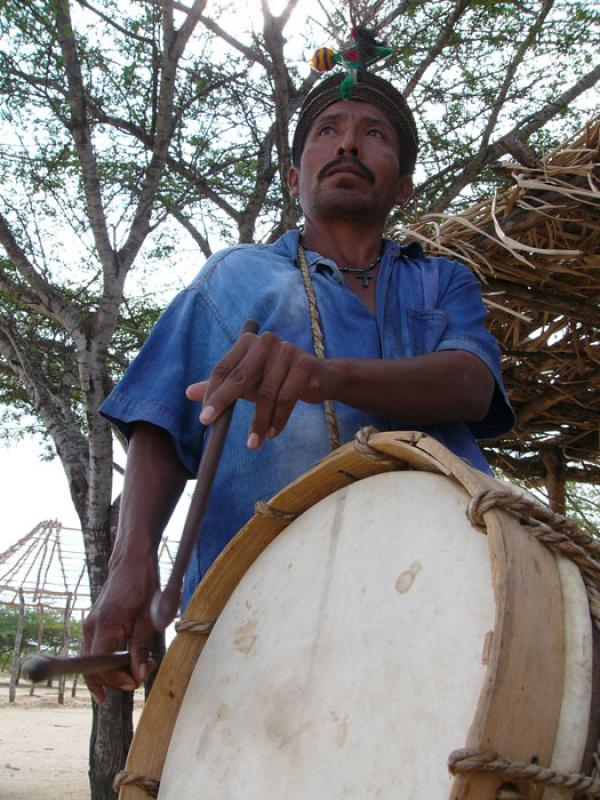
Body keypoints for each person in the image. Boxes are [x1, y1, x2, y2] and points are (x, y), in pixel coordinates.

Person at [83, 68, 514, 703]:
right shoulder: (233, 277)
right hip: (258, 619)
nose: (347, 145)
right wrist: (130, 564)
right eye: (326, 131)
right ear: (294, 178)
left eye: (373, 134)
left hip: (447, 600)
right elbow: (161, 421)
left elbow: (472, 384)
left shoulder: (442, 281)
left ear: (403, 186)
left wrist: (325, 374)